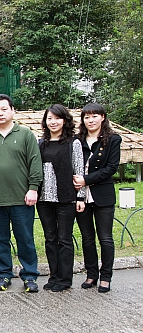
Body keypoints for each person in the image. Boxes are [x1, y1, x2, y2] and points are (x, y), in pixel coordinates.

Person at [0, 94, 43, 292]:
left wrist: (33, 188)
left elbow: (35, 162)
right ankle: (4, 274)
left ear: (12, 110)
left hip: (22, 198)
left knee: (25, 238)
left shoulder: (25, 134)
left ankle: (30, 275)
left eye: (4, 109)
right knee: (0, 239)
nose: (0, 113)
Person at [73, 103, 122, 293]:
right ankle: (91, 274)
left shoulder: (113, 140)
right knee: (87, 238)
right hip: (81, 196)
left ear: (103, 117)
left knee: (105, 238)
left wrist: (85, 179)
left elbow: (111, 168)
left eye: (94, 116)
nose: (90, 120)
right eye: (86, 117)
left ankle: (106, 276)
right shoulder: (78, 140)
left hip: (103, 195)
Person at [37, 105, 85, 293]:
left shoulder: (73, 143)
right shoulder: (41, 143)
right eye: (49, 119)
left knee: (64, 239)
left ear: (64, 120)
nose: (53, 122)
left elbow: (79, 170)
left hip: (66, 198)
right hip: (44, 200)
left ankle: (65, 279)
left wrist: (80, 197)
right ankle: (54, 276)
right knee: (50, 238)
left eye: (57, 118)